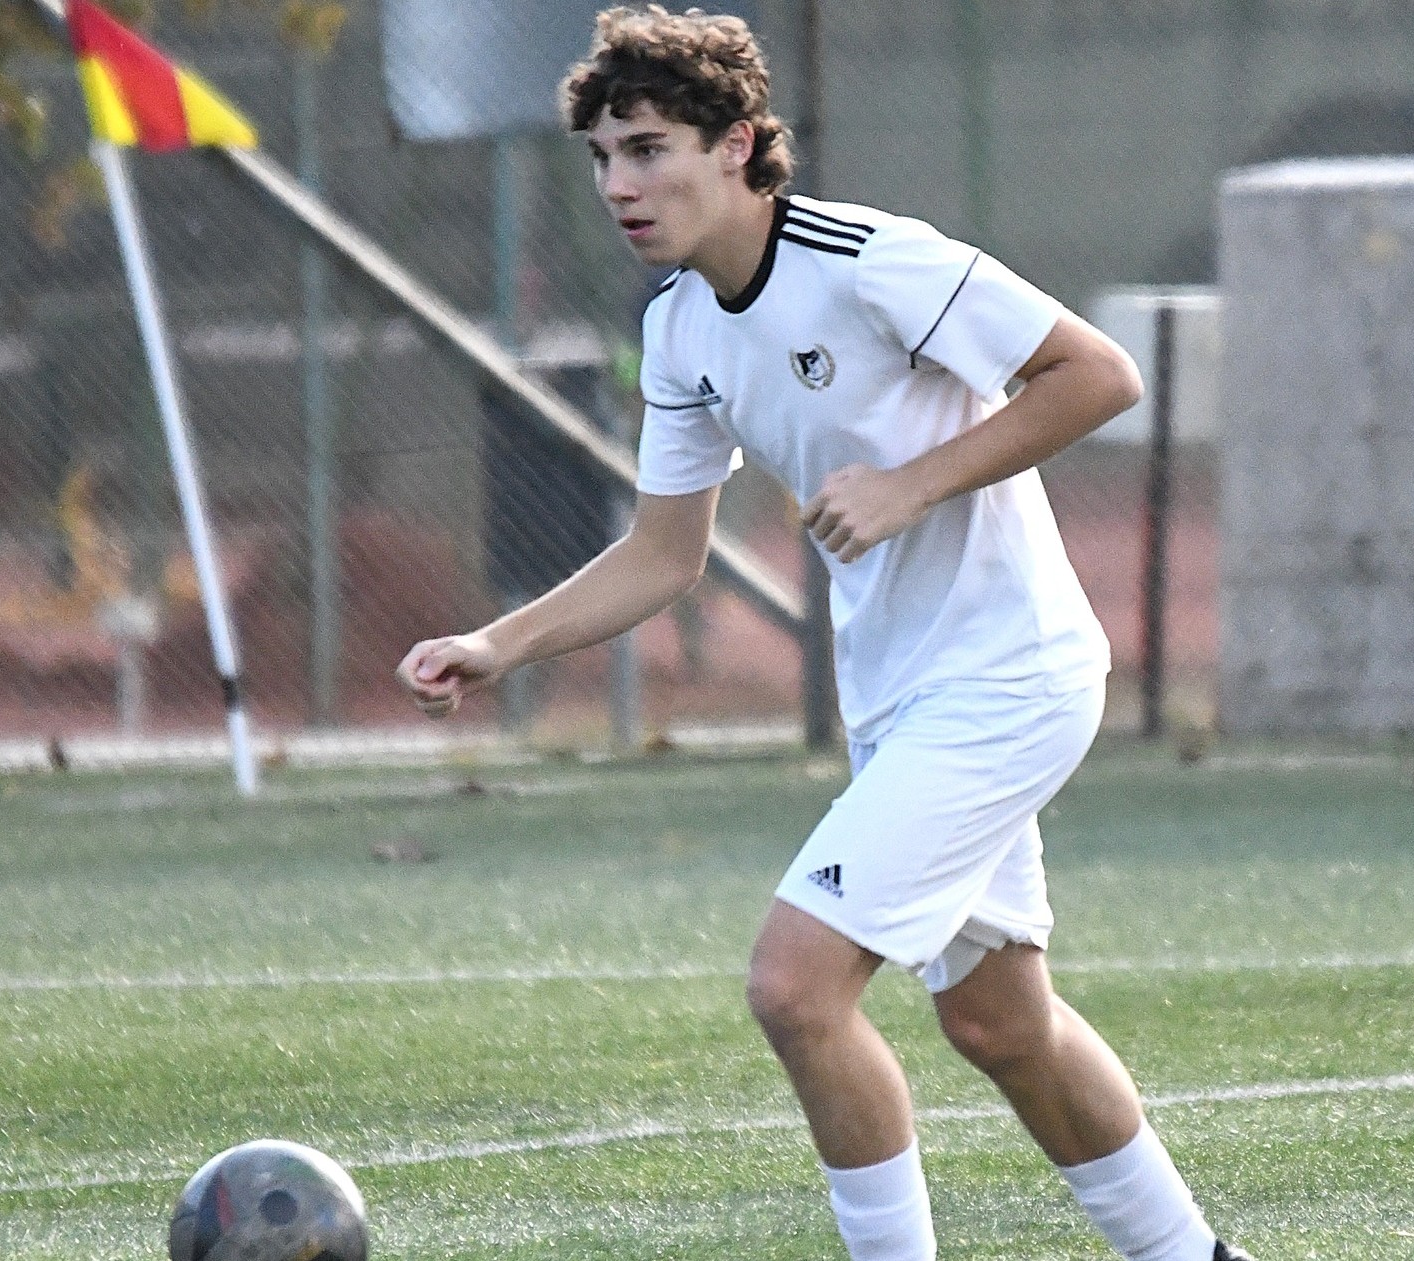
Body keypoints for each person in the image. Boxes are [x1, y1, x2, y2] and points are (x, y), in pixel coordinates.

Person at [395, 8, 1251, 1260]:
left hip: (1008, 677)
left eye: (648, 149)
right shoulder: (677, 326)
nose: (618, 185)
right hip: (898, 702)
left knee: (794, 988)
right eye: (602, 157)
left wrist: (911, 483)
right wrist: (497, 644)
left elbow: (1097, 375)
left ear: (738, 145)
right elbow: (664, 554)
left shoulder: (870, 260)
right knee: (999, 1024)